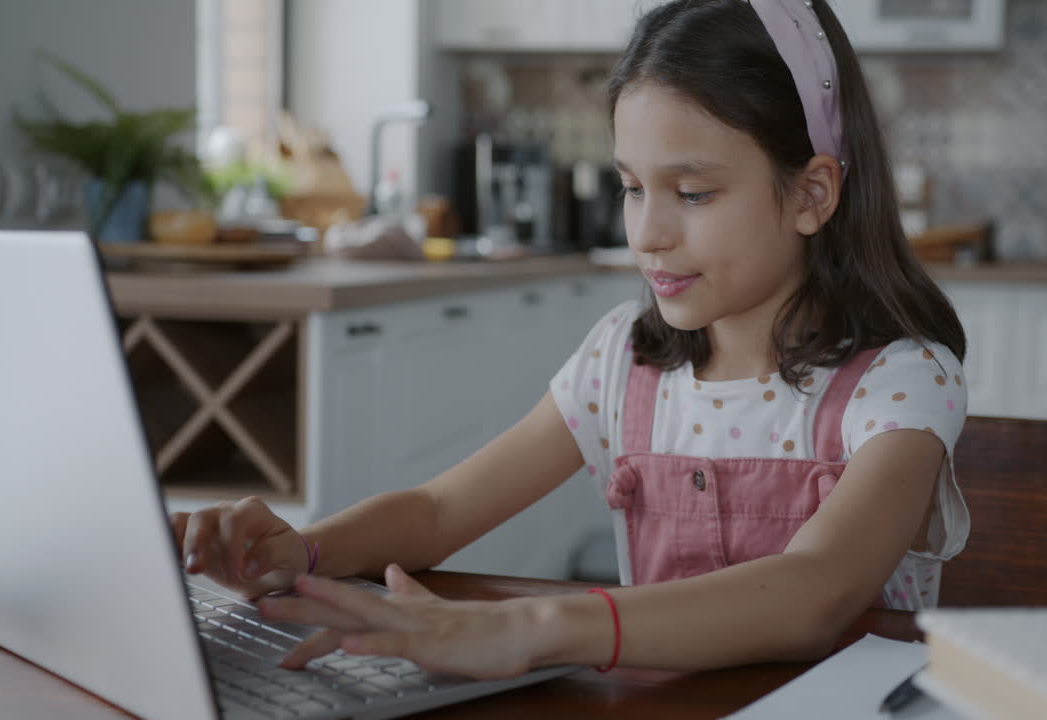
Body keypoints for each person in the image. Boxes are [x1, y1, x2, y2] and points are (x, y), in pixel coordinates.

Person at [173, 0, 969, 680]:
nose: (647, 233)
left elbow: (816, 590)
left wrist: (533, 628)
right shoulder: (623, 363)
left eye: (692, 192)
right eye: (631, 187)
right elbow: (438, 511)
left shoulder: (898, 386)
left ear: (812, 192)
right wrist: (301, 552)